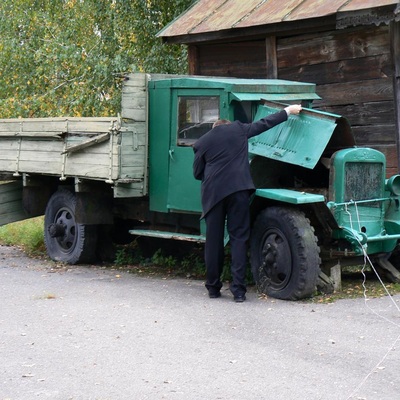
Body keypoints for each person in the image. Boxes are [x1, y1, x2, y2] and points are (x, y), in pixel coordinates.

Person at [192, 104, 302, 302]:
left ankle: (213, 288)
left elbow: (197, 173)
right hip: (238, 190)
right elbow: (264, 124)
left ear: (214, 128)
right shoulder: (239, 129)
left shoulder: (202, 142)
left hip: (214, 194)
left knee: (214, 241)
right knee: (238, 239)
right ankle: (239, 291)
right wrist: (288, 110)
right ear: (227, 125)